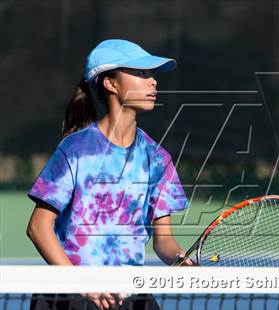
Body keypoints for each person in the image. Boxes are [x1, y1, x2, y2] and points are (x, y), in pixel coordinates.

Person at [26, 39, 192, 310]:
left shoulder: (158, 158)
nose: (152, 82)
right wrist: (82, 285)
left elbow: (164, 240)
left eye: (151, 74)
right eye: (140, 73)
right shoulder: (76, 150)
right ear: (111, 84)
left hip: (128, 294)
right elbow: (38, 228)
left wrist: (179, 258)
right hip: (69, 297)